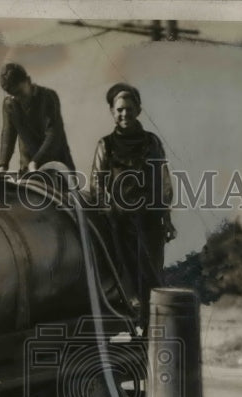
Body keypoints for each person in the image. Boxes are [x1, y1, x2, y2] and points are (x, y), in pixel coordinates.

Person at [91, 82, 176, 329]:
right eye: (119, 109)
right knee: (125, 280)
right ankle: (133, 328)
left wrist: (167, 218)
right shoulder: (105, 145)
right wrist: (103, 211)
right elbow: (97, 181)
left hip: (150, 221)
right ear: (111, 112)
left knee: (152, 276)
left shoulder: (152, 142)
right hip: (119, 222)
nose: (124, 114)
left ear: (138, 110)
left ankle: (152, 334)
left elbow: (163, 181)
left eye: (129, 108)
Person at [0, 63, 75, 174]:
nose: (18, 99)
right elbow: (8, 135)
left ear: (28, 81)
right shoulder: (10, 104)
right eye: (13, 95)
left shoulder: (48, 97)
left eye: (20, 93)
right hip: (28, 171)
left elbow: (53, 135)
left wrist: (36, 162)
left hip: (58, 168)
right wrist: (3, 165)